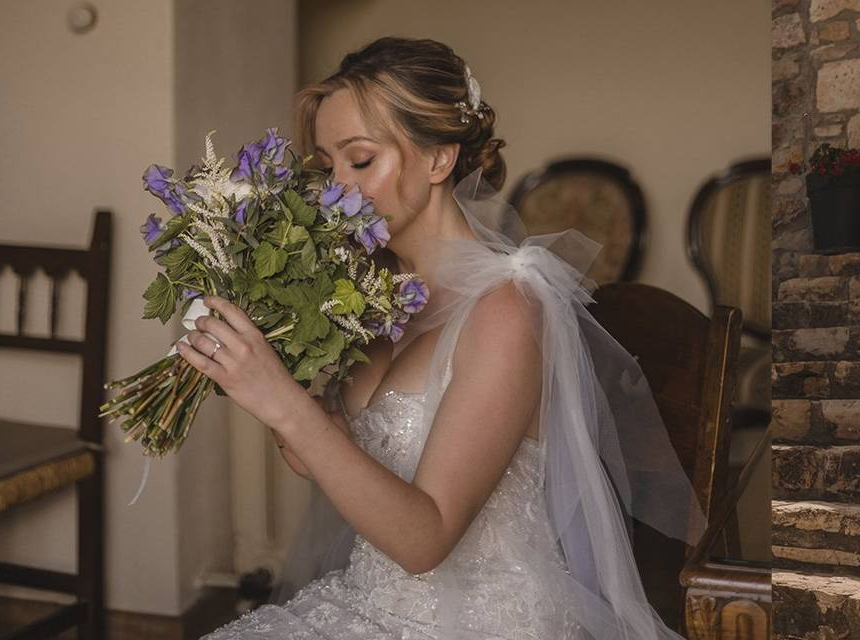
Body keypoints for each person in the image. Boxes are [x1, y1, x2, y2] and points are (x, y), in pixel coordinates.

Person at [183, 36, 706, 640]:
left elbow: (424, 540)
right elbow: (318, 455)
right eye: (327, 167)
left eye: (360, 160)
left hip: (478, 621)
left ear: (438, 160)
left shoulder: (508, 308)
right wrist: (269, 360)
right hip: (365, 602)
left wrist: (282, 401)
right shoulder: (374, 298)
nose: (335, 192)